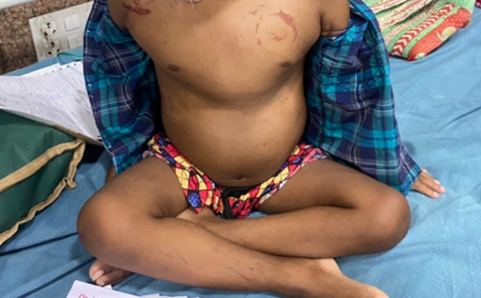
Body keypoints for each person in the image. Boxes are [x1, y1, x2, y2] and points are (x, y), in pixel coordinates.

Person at [77, 0, 446, 297]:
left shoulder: (319, 4)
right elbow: (123, 95)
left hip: (287, 168)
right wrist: (125, 166)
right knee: (102, 224)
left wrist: (391, 163)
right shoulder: (130, 7)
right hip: (181, 166)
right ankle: (296, 275)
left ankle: (190, 238)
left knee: (387, 215)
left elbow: (355, 97)